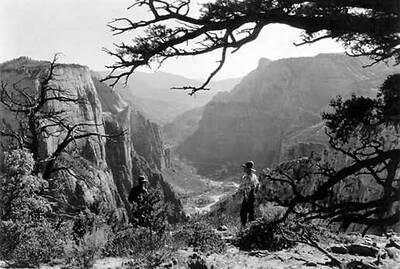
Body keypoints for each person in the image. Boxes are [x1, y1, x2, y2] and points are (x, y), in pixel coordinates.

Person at [238, 161, 260, 227]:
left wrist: (239, 193)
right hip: (251, 196)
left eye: (245, 168)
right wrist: (255, 193)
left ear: (248, 169)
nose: (244, 169)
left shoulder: (247, 177)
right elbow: (258, 185)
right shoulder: (254, 176)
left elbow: (243, 188)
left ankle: (245, 228)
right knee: (250, 213)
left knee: (244, 213)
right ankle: (251, 227)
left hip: (248, 196)